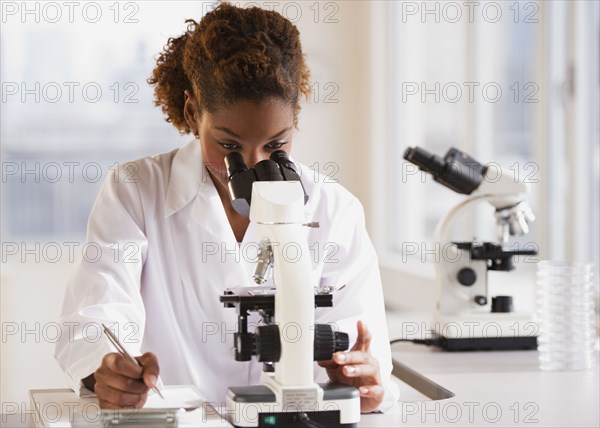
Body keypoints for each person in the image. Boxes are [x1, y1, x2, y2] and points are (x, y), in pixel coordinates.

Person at [55, 2, 399, 414]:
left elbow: (363, 351)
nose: (253, 166)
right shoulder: (136, 190)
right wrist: (107, 370)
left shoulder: (334, 207)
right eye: (229, 147)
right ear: (192, 112)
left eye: (276, 145)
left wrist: (361, 380)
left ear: (295, 120)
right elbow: (98, 312)